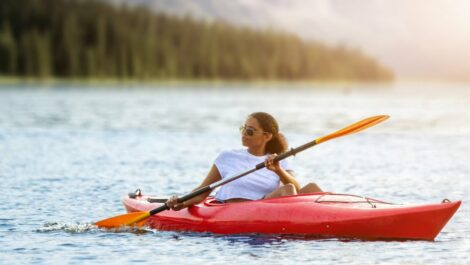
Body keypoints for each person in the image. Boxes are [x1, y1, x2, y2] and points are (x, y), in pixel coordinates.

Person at [166, 112, 322, 211]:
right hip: (239, 209)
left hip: (265, 205)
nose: (244, 134)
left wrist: (278, 170)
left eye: (250, 131)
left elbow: (298, 188)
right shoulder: (227, 157)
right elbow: (202, 191)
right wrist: (180, 202)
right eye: (244, 129)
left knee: (312, 186)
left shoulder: (278, 158)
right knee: (287, 190)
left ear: (267, 136)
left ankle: (333, 217)